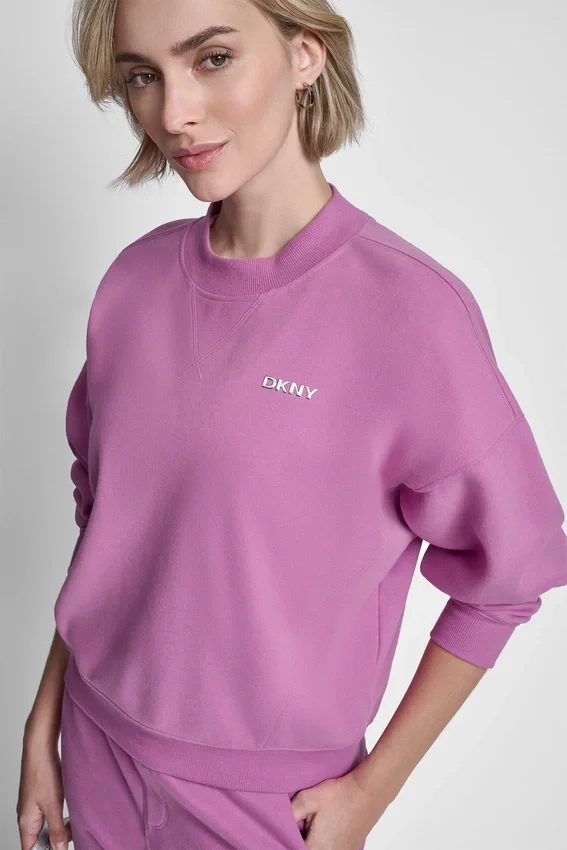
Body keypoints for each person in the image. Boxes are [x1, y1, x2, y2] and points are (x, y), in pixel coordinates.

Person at [17, 0, 567, 848]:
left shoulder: (410, 314)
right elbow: (106, 527)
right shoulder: (133, 283)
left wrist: (370, 792)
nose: (174, 112)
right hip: (95, 753)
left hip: (268, 804)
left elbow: (505, 581)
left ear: (305, 55)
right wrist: (41, 724)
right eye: (143, 76)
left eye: (212, 59)